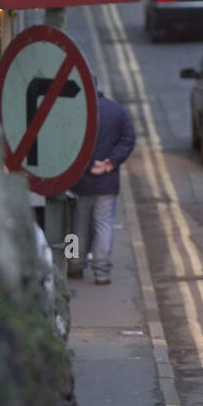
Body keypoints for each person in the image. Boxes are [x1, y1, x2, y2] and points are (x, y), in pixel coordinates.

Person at [69, 86, 136, 285]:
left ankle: (74, 264)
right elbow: (128, 139)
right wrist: (110, 163)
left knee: (77, 226)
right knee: (104, 225)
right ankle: (102, 272)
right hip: (107, 181)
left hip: (80, 181)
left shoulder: (76, 110)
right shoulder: (117, 110)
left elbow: (69, 143)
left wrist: (88, 165)